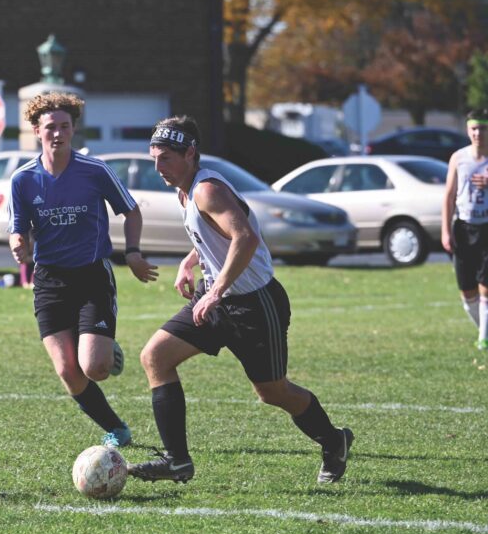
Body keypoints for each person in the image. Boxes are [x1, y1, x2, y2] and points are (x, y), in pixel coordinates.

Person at [128, 115, 353, 484]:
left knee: (272, 391)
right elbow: (211, 233)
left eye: (165, 158)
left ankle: (334, 439)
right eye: (154, 157)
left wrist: (215, 292)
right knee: (155, 356)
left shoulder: (207, 189)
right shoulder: (184, 189)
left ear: (190, 153)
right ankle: (177, 461)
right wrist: (190, 262)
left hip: (253, 304)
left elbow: (244, 238)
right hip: (215, 299)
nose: (158, 167)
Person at [8, 92, 158, 447]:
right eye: (50, 128)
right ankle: (117, 428)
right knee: (67, 372)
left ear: (74, 128)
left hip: (92, 276)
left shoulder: (94, 170)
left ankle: (105, 350)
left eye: (64, 126)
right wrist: (18, 243)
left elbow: (131, 211)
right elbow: (18, 227)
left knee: (94, 369)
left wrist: (133, 253)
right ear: (36, 130)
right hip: (49, 281)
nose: (57, 134)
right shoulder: (23, 180)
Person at [442, 109, 488, 351]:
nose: (478, 133)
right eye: (474, 128)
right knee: (467, 292)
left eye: (482, 128)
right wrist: (445, 231)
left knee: (485, 285)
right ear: (468, 130)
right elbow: (449, 196)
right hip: (463, 227)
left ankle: (483, 338)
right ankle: (484, 330)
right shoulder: (459, 158)